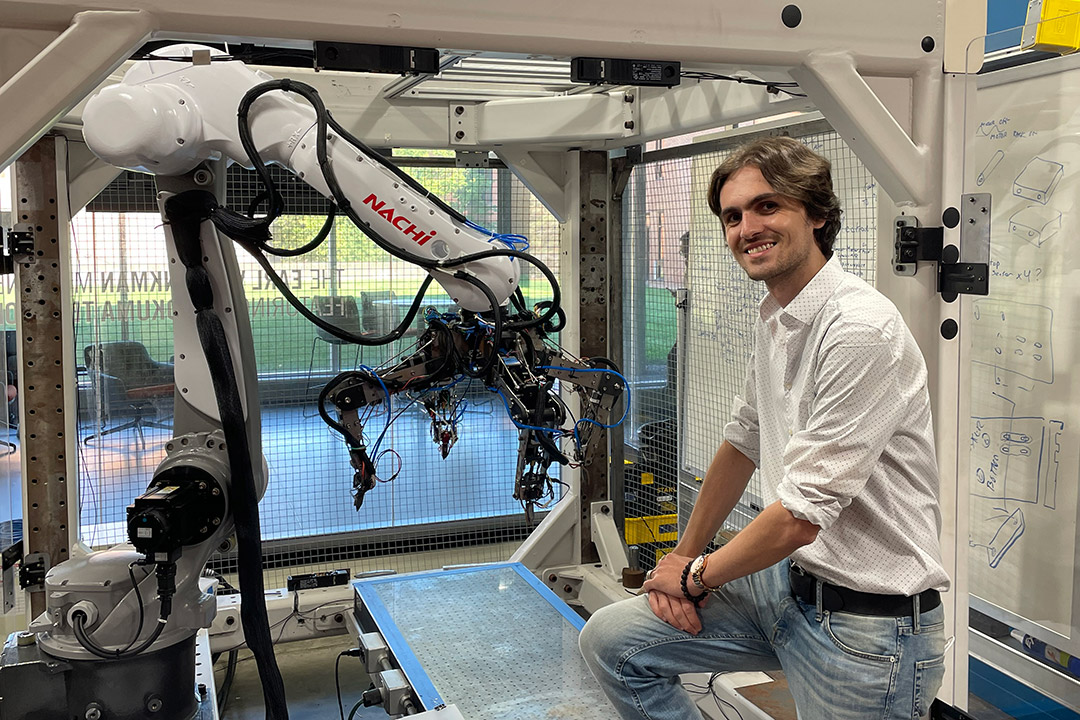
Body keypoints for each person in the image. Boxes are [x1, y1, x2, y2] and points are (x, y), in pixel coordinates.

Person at [579, 136, 950, 720]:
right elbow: (742, 439)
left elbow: (800, 516)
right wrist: (682, 556)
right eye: (732, 215)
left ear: (818, 214)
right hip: (785, 586)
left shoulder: (858, 329)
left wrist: (696, 578)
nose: (746, 227)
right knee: (614, 642)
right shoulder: (776, 313)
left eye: (767, 207)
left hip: (864, 627)